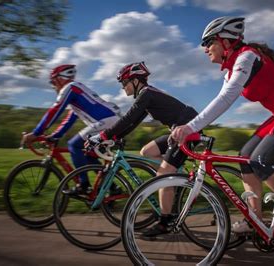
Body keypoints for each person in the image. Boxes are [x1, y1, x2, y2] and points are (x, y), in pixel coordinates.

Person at [171, 17, 274, 250]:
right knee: (245, 157)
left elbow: (226, 98)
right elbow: (220, 102)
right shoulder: (231, 68)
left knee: (260, 161)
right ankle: (255, 219)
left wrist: (190, 127)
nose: (204, 49)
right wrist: (194, 127)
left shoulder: (247, 56)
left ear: (225, 41)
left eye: (208, 42)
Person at [87, 61, 199, 237]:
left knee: (162, 176)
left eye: (125, 83)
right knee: (147, 152)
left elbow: (128, 118)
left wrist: (102, 136)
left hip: (187, 131)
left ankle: (164, 222)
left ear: (136, 81)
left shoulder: (146, 94)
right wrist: (116, 137)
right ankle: (175, 177)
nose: (123, 87)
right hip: (179, 129)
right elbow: (133, 122)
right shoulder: (148, 95)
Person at [22, 64, 121, 194]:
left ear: (59, 78)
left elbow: (55, 110)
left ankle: (83, 185)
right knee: (87, 154)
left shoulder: (70, 87)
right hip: (112, 121)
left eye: (53, 82)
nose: (53, 86)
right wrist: (54, 136)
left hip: (108, 121)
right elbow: (70, 119)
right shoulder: (76, 92)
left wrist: (36, 133)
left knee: (73, 145)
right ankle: (111, 188)